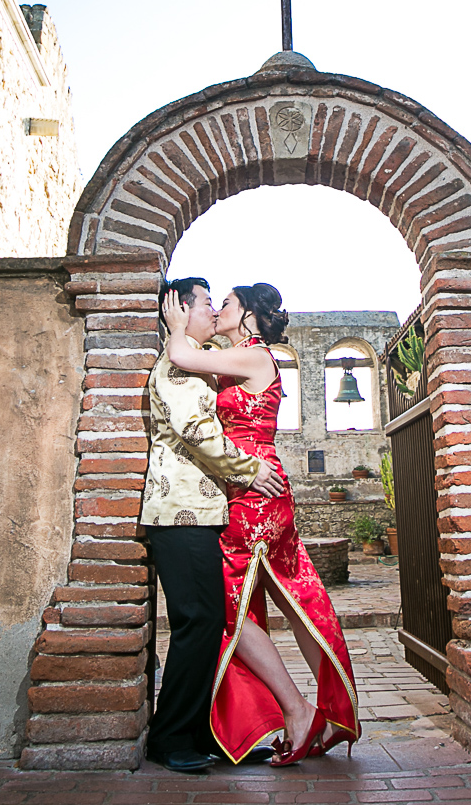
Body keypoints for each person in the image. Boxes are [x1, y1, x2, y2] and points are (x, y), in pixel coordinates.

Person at [161, 282, 361, 767]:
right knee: (296, 598)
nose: (219, 309)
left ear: (247, 313)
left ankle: (299, 712)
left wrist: (174, 324)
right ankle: (330, 713)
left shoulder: (255, 357)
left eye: (225, 302)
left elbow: (184, 356)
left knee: (231, 609)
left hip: (254, 492)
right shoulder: (240, 358)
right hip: (257, 489)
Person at [141, 277, 289, 774]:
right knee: (197, 622)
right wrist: (251, 470)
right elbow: (197, 432)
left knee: (208, 624)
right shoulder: (178, 366)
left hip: (202, 513)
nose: (212, 309)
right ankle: (170, 736)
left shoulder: (199, 364)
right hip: (179, 512)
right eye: (205, 302)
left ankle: (200, 731)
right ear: (181, 311)